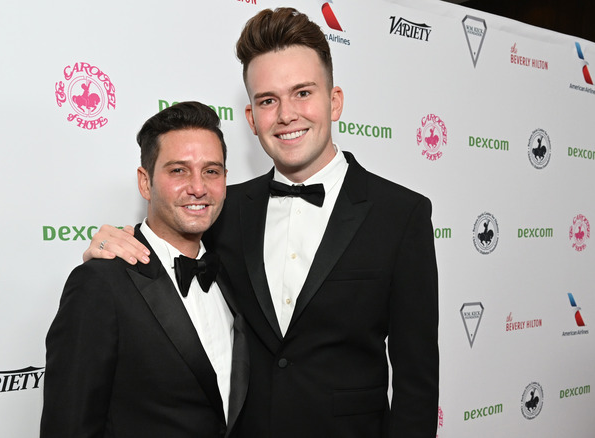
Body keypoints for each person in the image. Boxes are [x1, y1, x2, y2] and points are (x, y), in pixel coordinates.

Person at [84, 8, 438, 438]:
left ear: (335, 101)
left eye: (303, 93)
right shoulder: (221, 207)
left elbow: (417, 385)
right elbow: (163, 255)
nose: (286, 114)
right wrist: (107, 248)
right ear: (251, 118)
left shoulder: (401, 214)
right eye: (268, 100)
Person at [41, 101, 249, 438]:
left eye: (211, 171)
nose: (198, 187)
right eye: (178, 170)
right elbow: (69, 426)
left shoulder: (234, 272)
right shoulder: (100, 283)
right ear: (145, 182)